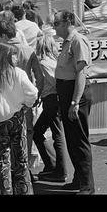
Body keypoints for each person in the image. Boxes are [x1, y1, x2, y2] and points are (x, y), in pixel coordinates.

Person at [0, 12, 44, 176]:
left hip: (3, 99)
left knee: (3, 139)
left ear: (3, 35)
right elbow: (40, 77)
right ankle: (24, 171)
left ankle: (5, 175)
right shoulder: (28, 50)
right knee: (25, 134)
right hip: (24, 98)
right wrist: (36, 98)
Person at [0, 43, 38, 194]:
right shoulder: (17, 72)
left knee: (3, 158)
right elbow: (33, 93)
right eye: (13, 54)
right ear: (6, 56)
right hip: (16, 117)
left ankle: (5, 190)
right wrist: (27, 105)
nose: (16, 57)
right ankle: (24, 191)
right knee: (21, 157)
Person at [53, 9, 95, 195]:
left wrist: (74, 102)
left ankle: (87, 186)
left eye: (56, 23)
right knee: (71, 139)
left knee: (79, 140)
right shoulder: (67, 42)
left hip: (75, 94)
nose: (54, 27)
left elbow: (81, 73)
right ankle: (79, 180)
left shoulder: (78, 41)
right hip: (66, 93)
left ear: (67, 22)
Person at [33, 33, 68, 182]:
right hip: (54, 100)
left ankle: (58, 169)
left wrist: (39, 94)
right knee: (43, 132)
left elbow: (53, 82)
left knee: (53, 134)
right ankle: (54, 166)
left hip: (51, 100)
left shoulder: (43, 62)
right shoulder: (56, 61)